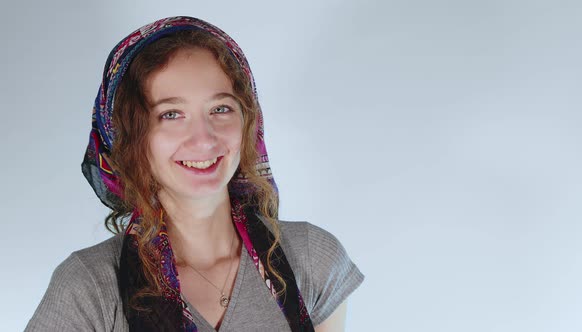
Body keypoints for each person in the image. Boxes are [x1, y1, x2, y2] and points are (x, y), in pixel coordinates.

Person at [26, 16, 363, 331]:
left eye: (220, 108)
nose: (203, 139)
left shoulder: (311, 258)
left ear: (249, 123)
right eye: (171, 114)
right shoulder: (89, 286)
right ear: (128, 137)